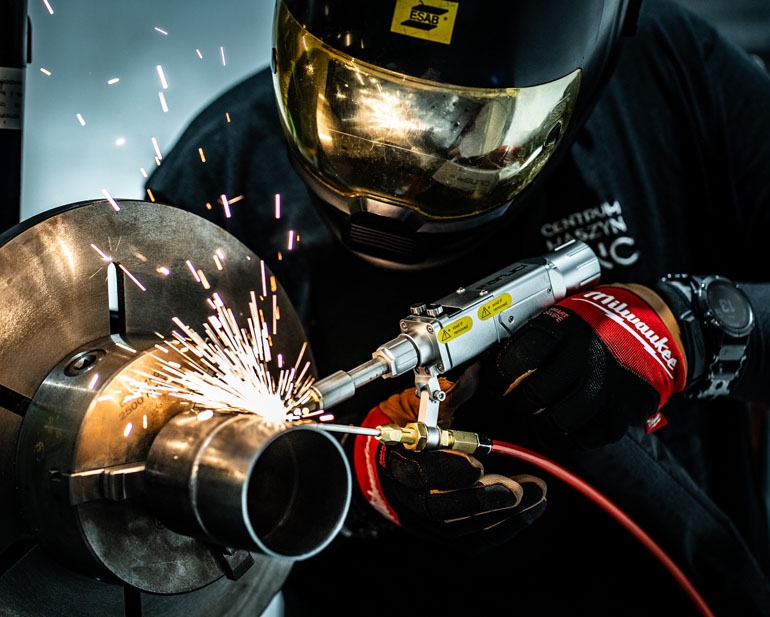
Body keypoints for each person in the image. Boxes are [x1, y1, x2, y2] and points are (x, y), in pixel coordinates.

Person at [144, 0, 770, 615]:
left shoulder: (674, 72)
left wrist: (697, 326)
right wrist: (351, 484)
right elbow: (164, 481)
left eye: (470, 127)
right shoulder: (225, 175)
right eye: (364, 105)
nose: (408, 177)